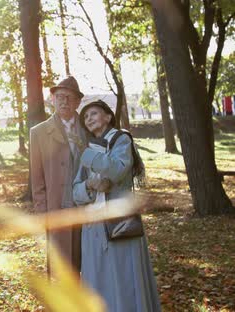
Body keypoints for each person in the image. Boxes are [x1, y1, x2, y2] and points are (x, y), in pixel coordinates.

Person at [73, 100, 161, 312]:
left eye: (94, 113)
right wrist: (90, 185)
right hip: (93, 228)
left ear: (108, 117)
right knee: (98, 281)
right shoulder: (89, 149)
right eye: (85, 117)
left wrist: (87, 155)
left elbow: (118, 169)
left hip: (119, 224)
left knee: (124, 280)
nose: (89, 119)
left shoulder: (121, 140)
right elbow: (75, 192)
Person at [30, 76, 87, 275]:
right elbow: (36, 179)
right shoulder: (38, 132)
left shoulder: (89, 128)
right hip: (56, 208)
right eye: (60, 97)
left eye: (69, 97)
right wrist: (41, 212)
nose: (64, 101)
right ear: (52, 99)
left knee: (89, 264)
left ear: (78, 102)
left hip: (88, 207)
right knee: (62, 267)